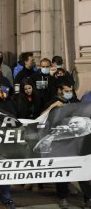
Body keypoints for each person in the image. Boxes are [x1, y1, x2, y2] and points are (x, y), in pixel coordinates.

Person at [39, 80, 91, 209]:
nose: (69, 93)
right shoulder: (53, 102)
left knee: (83, 172)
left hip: (77, 143)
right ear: (59, 91)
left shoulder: (75, 102)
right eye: (66, 91)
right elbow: (41, 118)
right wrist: (52, 107)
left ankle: (88, 198)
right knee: (62, 172)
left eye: (71, 91)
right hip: (60, 143)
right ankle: (63, 197)